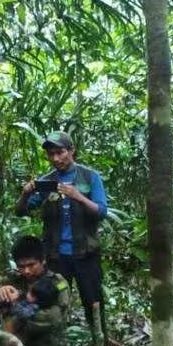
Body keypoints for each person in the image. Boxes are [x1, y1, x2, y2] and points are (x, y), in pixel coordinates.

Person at [15, 131, 108, 330]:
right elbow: (21, 210)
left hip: (86, 255)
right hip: (56, 257)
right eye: (51, 154)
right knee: (53, 303)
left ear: (71, 151)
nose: (56, 158)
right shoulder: (47, 182)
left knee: (94, 304)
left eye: (60, 152)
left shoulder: (90, 177)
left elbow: (101, 212)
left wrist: (78, 196)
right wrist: (25, 194)